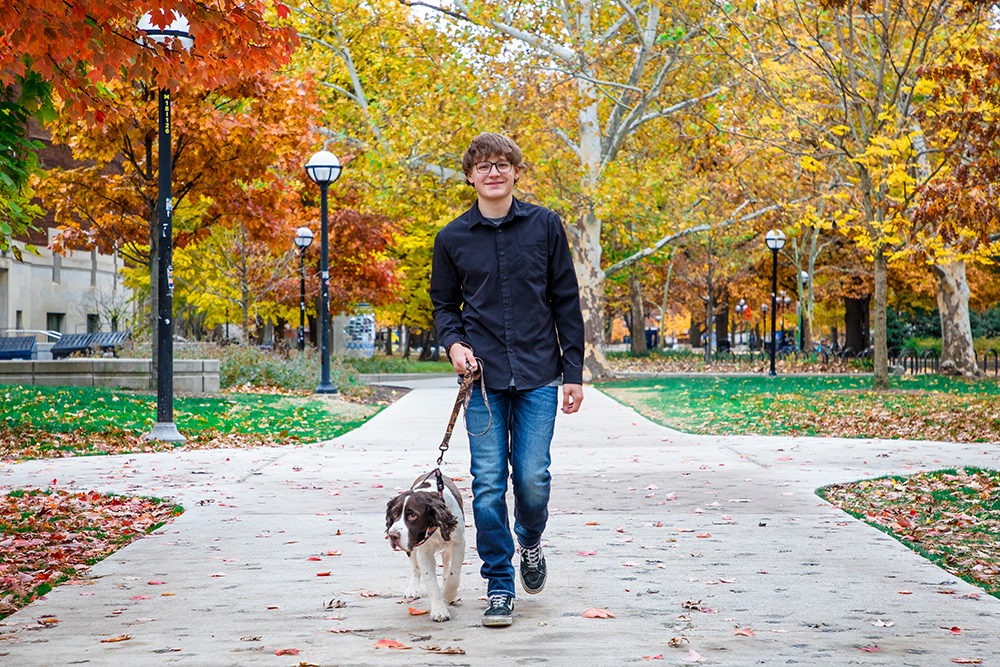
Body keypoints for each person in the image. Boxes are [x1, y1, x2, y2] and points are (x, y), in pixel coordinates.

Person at [430, 132, 585, 627]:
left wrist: (573, 373)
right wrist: (454, 345)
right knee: (489, 483)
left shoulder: (544, 226)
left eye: (502, 164)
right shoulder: (451, 238)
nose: (493, 173)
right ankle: (498, 583)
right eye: (483, 167)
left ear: (516, 171)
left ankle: (531, 542)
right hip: (482, 381)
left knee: (533, 479)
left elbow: (566, 300)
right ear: (470, 176)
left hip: (540, 374)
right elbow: (443, 307)